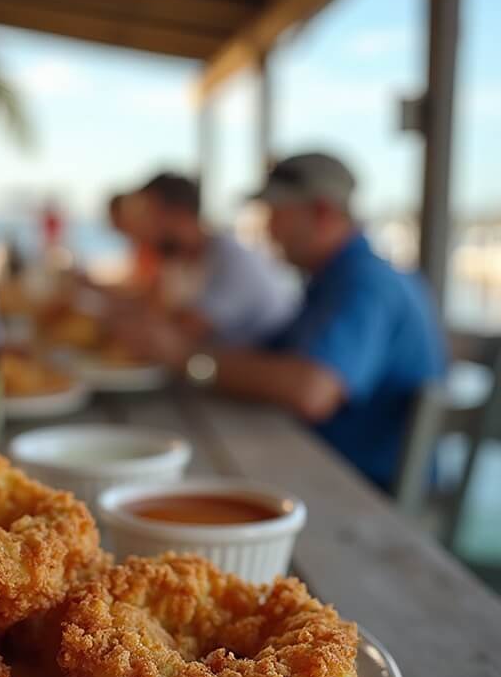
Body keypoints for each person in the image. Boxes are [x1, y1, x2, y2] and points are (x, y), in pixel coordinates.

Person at [147, 152, 448, 489]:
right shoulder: (331, 280)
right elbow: (270, 356)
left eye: (276, 214)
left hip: (363, 488)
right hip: (320, 461)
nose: (268, 229)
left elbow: (311, 391)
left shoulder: (365, 283)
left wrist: (187, 359)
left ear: (322, 213)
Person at [115, 172, 298, 344]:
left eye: (149, 217)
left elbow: (179, 334)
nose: (142, 228)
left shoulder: (231, 260)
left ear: (180, 214)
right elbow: (154, 309)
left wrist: (108, 313)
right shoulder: (178, 259)